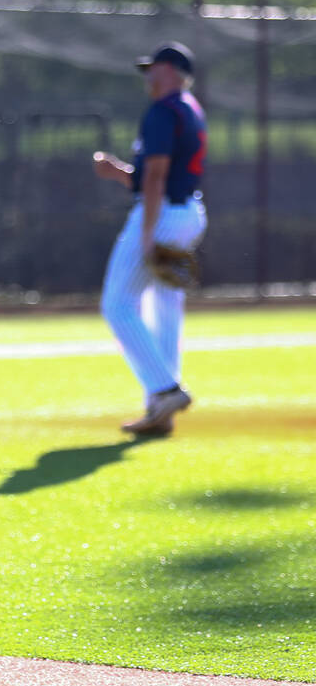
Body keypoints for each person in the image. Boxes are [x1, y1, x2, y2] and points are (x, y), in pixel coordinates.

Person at [93, 41, 208, 437]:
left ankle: (165, 389)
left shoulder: (163, 111)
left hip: (161, 214)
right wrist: (120, 171)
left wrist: (146, 234)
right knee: (165, 306)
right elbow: (155, 174)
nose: (148, 75)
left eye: (155, 68)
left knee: (118, 304)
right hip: (187, 212)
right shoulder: (190, 109)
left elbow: (156, 178)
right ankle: (161, 407)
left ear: (174, 71)